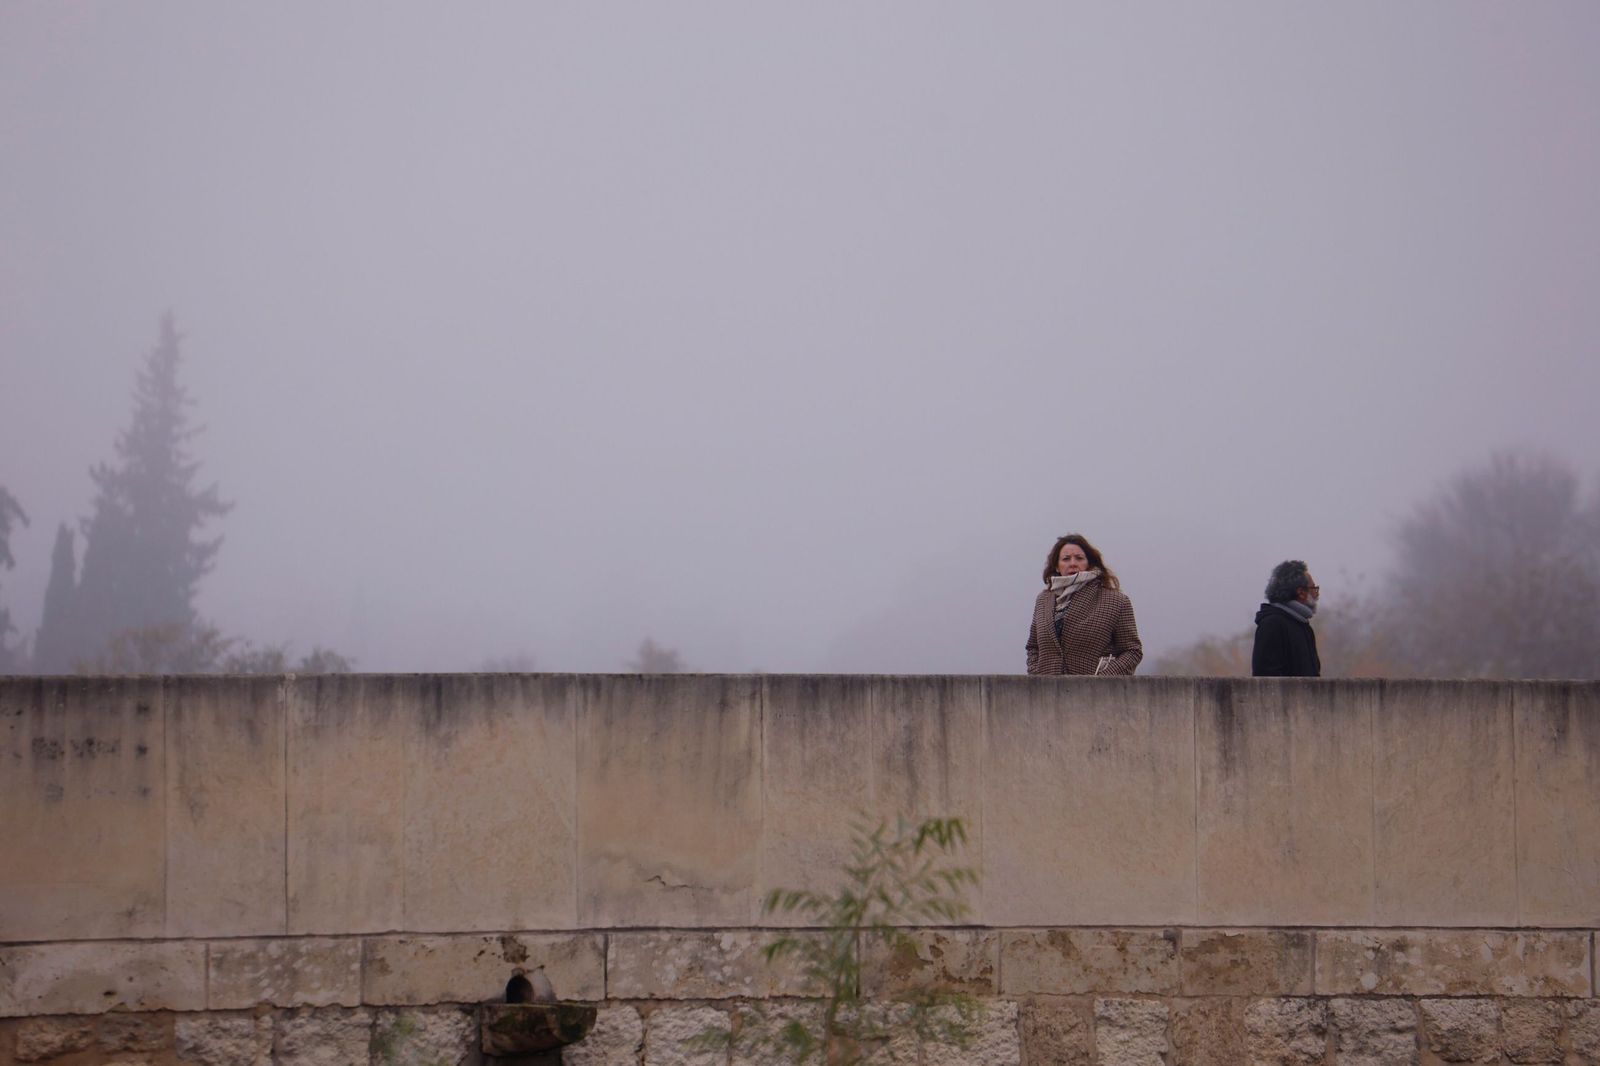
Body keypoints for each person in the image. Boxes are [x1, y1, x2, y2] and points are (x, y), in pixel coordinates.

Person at [1025, 533, 1143, 675]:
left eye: (1079, 558)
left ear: (1089, 563)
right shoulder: (1044, 600)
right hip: (1046, 693)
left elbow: (1132, 651)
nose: (1073, 563)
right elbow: (1033, 647)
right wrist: (1036, 675)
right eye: (1066, 559)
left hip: (1094, 694)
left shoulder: (1116, 601)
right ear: (1057, 565)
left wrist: (1102, 680)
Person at [1251, 560, 1322, 677]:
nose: (1317, 594)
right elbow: (1266, 679)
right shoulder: (1272, 625)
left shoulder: (1304, 626)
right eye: (1313, 588)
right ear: (1301, 592)